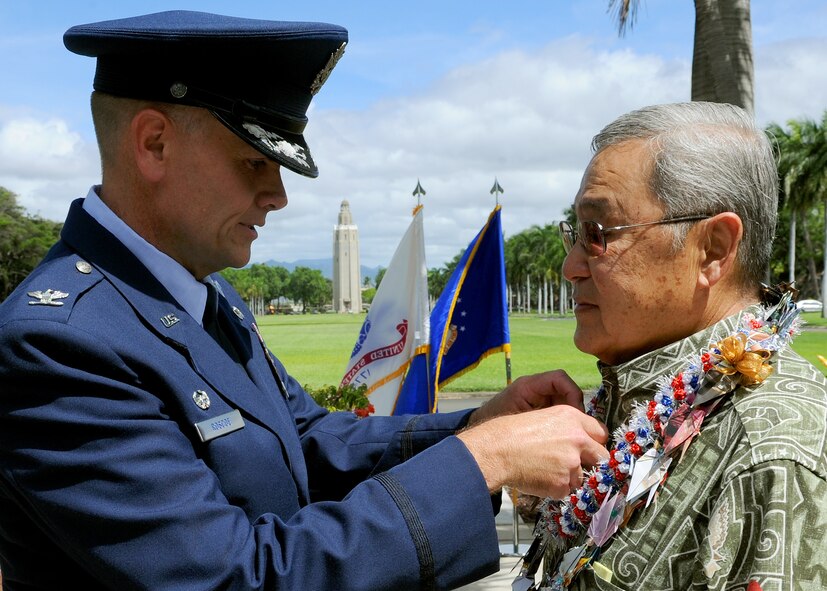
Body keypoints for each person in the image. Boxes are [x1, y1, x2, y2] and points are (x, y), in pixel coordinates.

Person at [0, 11, 609, 591]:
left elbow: (308, 442)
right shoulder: (59, 345)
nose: (277, 195)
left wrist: (478, 425)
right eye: (254, 160)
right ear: (154, 144)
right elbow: (236, 575)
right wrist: (480, 462)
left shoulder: (203, 297)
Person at [528, 102, 827, 590]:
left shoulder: (769, 451)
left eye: (598, 235)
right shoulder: (631, 396)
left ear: (712, 249)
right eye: (575, 236)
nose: (571, 267)